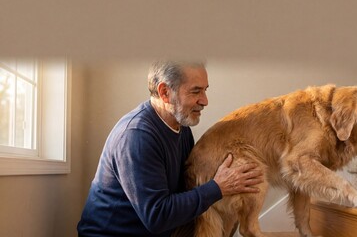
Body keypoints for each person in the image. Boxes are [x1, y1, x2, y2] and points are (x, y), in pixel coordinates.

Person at [77, 60, 263, 237]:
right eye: (196, 91)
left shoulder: (182, 129)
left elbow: (185, 189)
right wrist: (217, 188)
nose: (205, 101)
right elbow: (157, 217)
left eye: (205, 90)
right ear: (165, 92)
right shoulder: (137, 136)